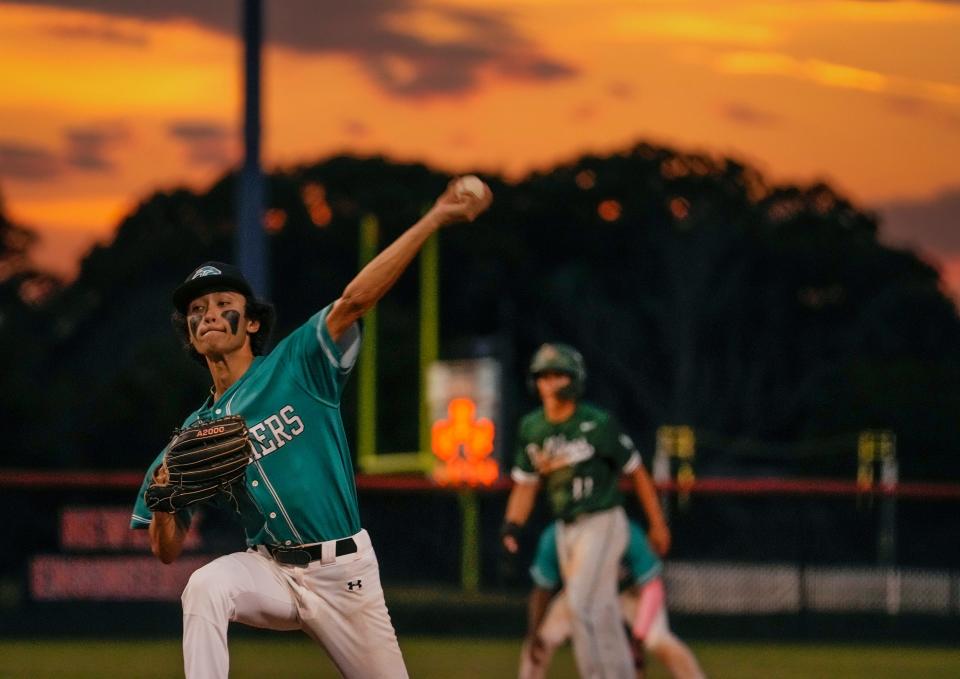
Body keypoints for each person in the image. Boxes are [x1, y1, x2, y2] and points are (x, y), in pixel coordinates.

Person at [128, 178, 492, 679]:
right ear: (190, 335)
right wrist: (167, 502)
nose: (208, 313)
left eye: (220, 302)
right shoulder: (192, 436)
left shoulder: (298, 365)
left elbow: (354, 302)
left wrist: (432, 219)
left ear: (252, 323)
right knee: (206, 585)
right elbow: (166, 551)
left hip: (344, 575)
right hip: (271, 570)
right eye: (196, 310)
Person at [501, 342, 671, 679]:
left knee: (581, 604)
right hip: (566, 528)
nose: (551, 383)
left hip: (603, 521)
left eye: (558, 375)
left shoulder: (597, 424)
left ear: (574, 379)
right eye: (544, 376)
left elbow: (636, 471)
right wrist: (512, 526)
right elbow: (525, 485)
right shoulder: (532, 428)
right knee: (603, 612)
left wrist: (657, 523)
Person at [519, 521, 706, 679]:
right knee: (538, 644)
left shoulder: (624, 530)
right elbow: (542, 588)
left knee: (660, 641)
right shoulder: (556, 534)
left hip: (629, 596)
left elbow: (652, 587)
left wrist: (638, 638)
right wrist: (534, 631)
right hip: (580, 595)